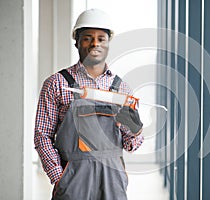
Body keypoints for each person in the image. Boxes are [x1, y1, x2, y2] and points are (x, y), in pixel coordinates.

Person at [34, 9, 144, 200]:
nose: (95, 44)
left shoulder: (122, 89)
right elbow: (42, 136)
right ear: (76, 41)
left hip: (112, 181)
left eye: (101, 38)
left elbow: (130, 145)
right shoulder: (57, 84)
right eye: (87, 38)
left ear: (108, 43)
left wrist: (136, 130)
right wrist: (60, 178)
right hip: (73, 179)